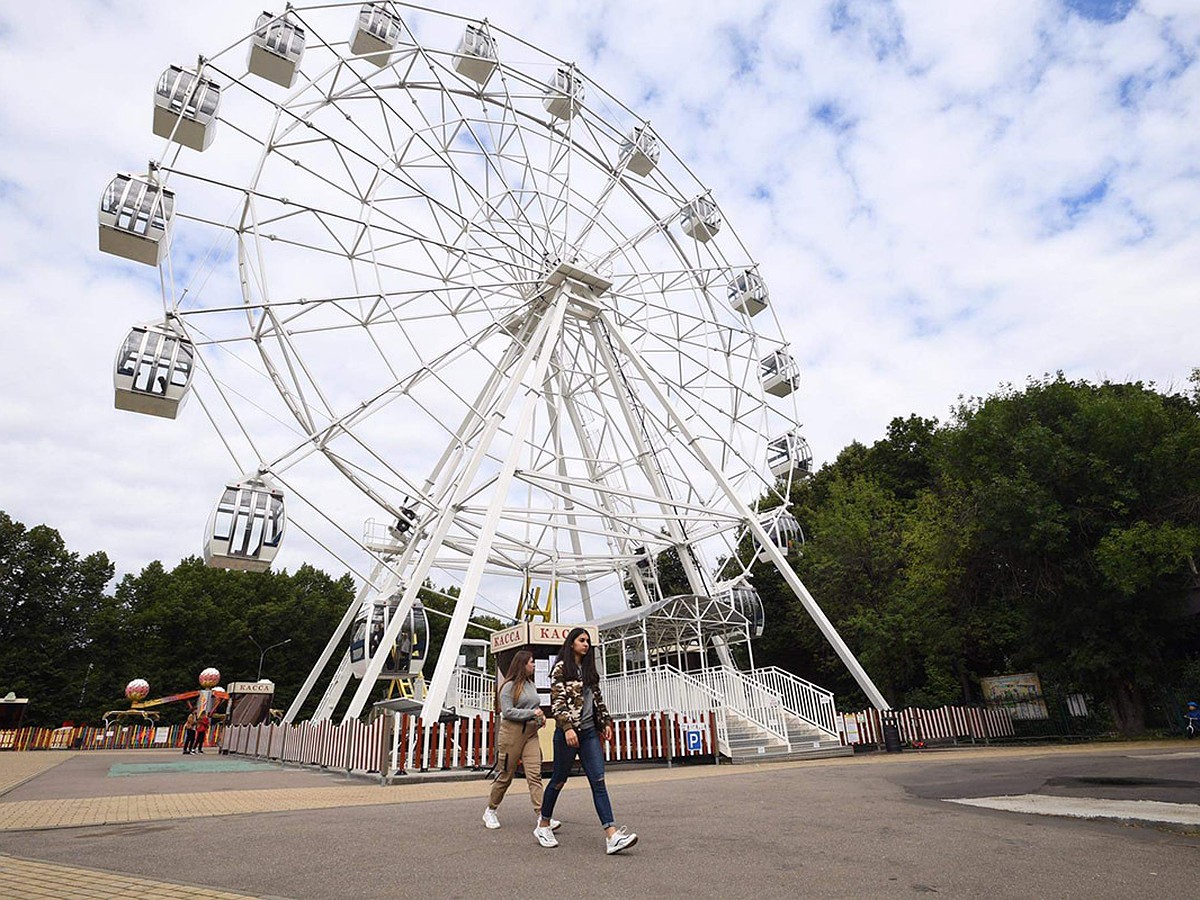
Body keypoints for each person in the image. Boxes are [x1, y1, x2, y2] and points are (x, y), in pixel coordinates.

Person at [535, 628, 637, 855]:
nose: (586, 644)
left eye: (587, 641)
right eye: (581, 640)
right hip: (568, 733)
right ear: (571, 643)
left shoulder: (589, 670)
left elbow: (597, 700)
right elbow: (558, 702)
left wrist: (606, 722)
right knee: (559, 780)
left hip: (590, 732)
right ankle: (543, 824)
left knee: (598, 781)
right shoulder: (561, 669)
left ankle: (612, 835)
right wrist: (567, 727)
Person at [482, 650, 559, 832]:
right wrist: (532, 713)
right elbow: (507, 712)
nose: (534, 665)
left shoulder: (530, 684)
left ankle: (542, 816)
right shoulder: (508, 686)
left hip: (531, 733)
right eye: (531, 662)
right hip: (512, 734)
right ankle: (490, 810)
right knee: (506, 775)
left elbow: (535, 706)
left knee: (535, 774)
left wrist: (539, 718)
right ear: (522, 664)